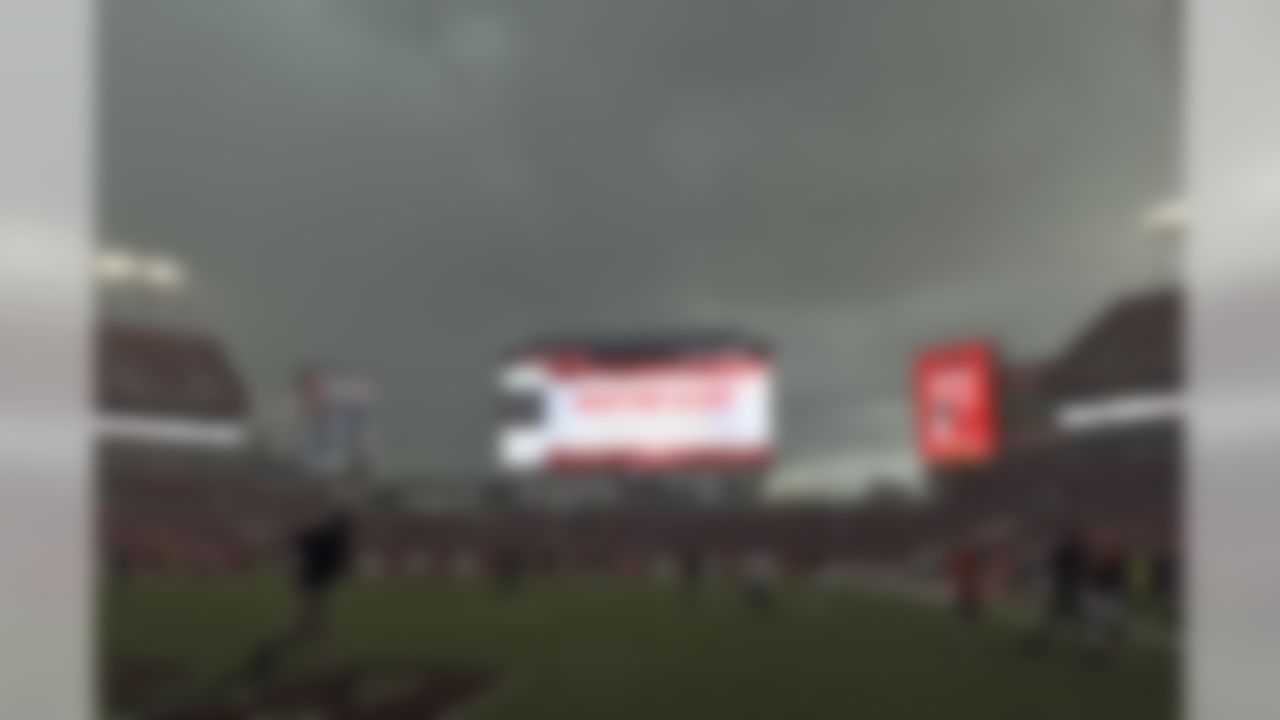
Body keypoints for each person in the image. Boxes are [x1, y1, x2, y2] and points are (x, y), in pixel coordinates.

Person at [1026, 527, 1088, 655]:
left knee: (1055, 618)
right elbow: (1081, 569)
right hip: (1069, 589)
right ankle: (1086, 646)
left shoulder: (1066, 551)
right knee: (1073, 619)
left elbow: (1054, 565)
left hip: (1065, 588)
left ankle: (1037, 643)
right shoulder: (1077, 552)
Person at [947, 544, 984, 622]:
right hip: (965, 582)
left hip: (967, 582)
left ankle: (969, 613)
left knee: (967, 596)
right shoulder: (963, 560)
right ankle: (966, 613)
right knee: (964, 596)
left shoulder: (968, 560)